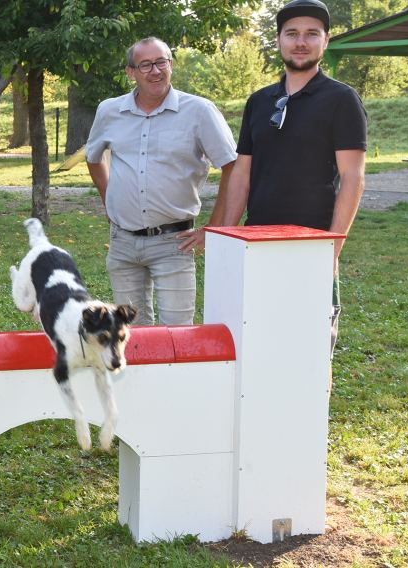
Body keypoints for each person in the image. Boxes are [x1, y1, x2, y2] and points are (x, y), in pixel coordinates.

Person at [220, 0, 367, 353]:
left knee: (312, 349)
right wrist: (227, 235)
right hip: (256, 242)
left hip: (311, 245)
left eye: (311, 34)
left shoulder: (341, 99)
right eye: (292, 34)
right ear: (279, 40)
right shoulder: (259, 101)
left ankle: (315, 408)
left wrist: (333, 248)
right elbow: (243, 172)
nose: (301, 42)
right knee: (257, 341)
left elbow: (353, 178)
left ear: (325, 41)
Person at [85, 37, 237, 326]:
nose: (155, 71)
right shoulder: (109, 111)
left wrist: (214, 228)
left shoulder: (199, 111)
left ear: (171, 65)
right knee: (131, 336)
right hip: (122, 243)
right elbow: (94, 157)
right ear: (131, 72)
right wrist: (109, 201)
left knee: (177, 335)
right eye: (145, 65)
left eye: (161, 62)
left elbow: (232, 165)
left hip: (174, 243)